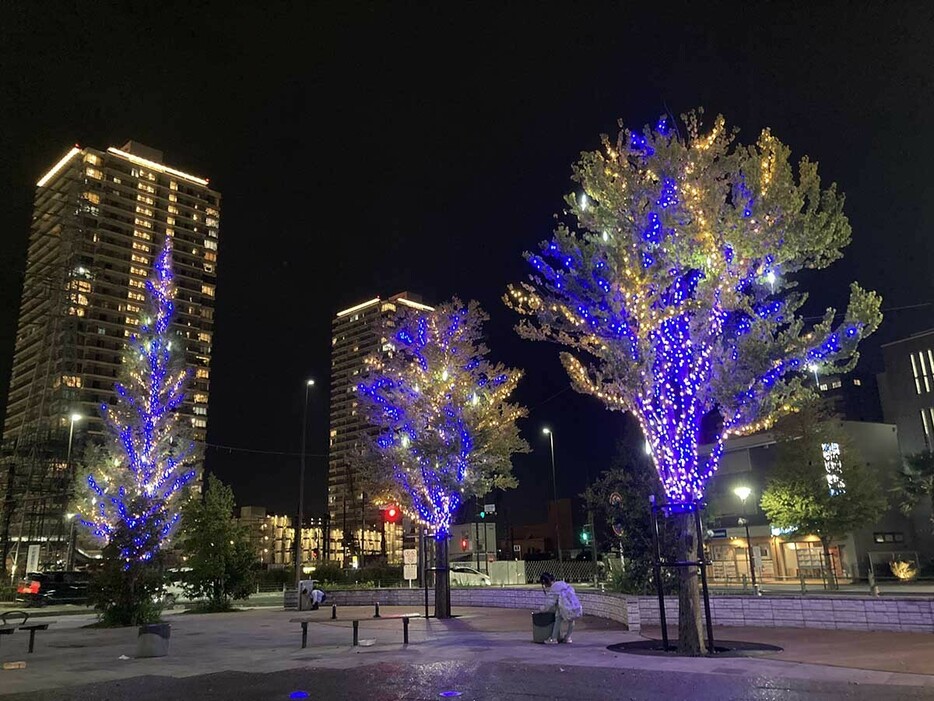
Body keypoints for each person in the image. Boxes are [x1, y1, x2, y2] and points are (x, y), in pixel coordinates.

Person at [538, 572, 582, 644]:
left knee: (558, 618)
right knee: (571, 620)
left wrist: (542, 609)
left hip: (564, 606)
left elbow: (549, 604)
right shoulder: (562, 583)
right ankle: (568, 637)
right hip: (573, 604)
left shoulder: (554, 588)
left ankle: (554, 638)